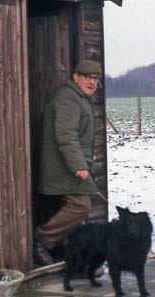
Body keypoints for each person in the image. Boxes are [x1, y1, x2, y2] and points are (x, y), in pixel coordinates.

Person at [33, 59, 103, 266]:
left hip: (69, 165)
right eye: (87, 77)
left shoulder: (80, 97)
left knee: (77, 211)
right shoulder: (68, 99)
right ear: (76, 78)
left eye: (96, 78)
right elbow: (66, 136)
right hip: (64, 166)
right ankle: (41, 240)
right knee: (80, 206)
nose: (92, 82)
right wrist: (79, 166)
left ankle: (65, 251)